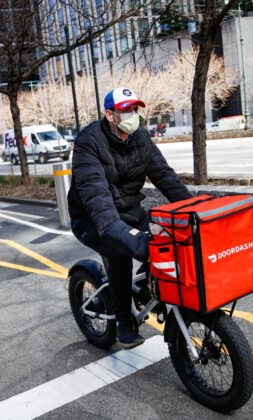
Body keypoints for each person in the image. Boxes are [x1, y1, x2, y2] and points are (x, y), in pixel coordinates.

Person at [68, 87, 192, 349]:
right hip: (91, 219)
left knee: (168, 240)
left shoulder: (141, 138)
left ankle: (144, 287)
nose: (132, 115)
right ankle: (124, 321)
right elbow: (97, 200)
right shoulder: (89, 142)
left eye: (135, 110)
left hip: (130, 212)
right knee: (122, 255)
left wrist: (193, 210)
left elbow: (166, 178)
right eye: (125, 111)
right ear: (110, 115)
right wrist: (129, 237)